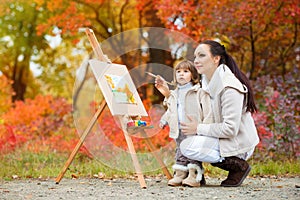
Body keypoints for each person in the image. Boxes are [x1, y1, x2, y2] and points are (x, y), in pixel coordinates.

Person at [155, 40, 259, 187]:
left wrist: (198, 128)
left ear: (216, 59)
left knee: (188, 146)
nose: (196, 60)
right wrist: (167, 96)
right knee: (186, 143)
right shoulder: (206, 83)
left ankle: (239, 166)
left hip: (238, 144)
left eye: (202, 55)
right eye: (195, 56)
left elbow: (230, 129)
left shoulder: (229, 87)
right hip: (220, 137)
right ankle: (194, 175)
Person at [159, 60, 214, 187]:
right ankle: (180, 174)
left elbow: (208, 111)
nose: (181, 74)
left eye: (185, 71)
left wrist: (205, 127)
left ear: (193, 75)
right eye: (178, 72)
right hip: (179, 129)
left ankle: (194, 175)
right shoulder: (175, 94)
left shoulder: (199, 92)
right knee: (180, 151)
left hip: (194, 129)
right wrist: (164, 119)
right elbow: (171, 109)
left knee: (193, 152)